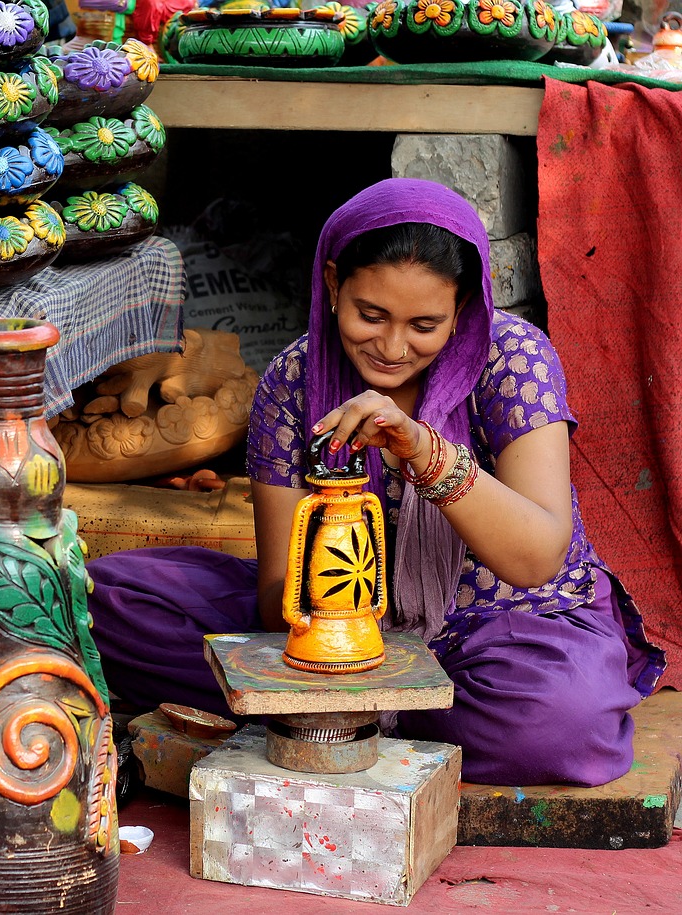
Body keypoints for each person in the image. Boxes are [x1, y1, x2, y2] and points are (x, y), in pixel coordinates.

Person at [88, 178, 665, 787]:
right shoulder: (294, 380)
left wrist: (424, 451)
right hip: (339, 630)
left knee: (557, 723)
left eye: (424, 324)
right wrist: (351, 640)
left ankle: (330, 721)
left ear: (463, 307)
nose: (392, 347)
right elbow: (276, 599)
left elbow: (536, 556)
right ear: (334, 284)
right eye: (370, 315)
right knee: (102, 604)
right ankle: (367, 709)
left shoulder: (512, 360)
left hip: (507, 626)